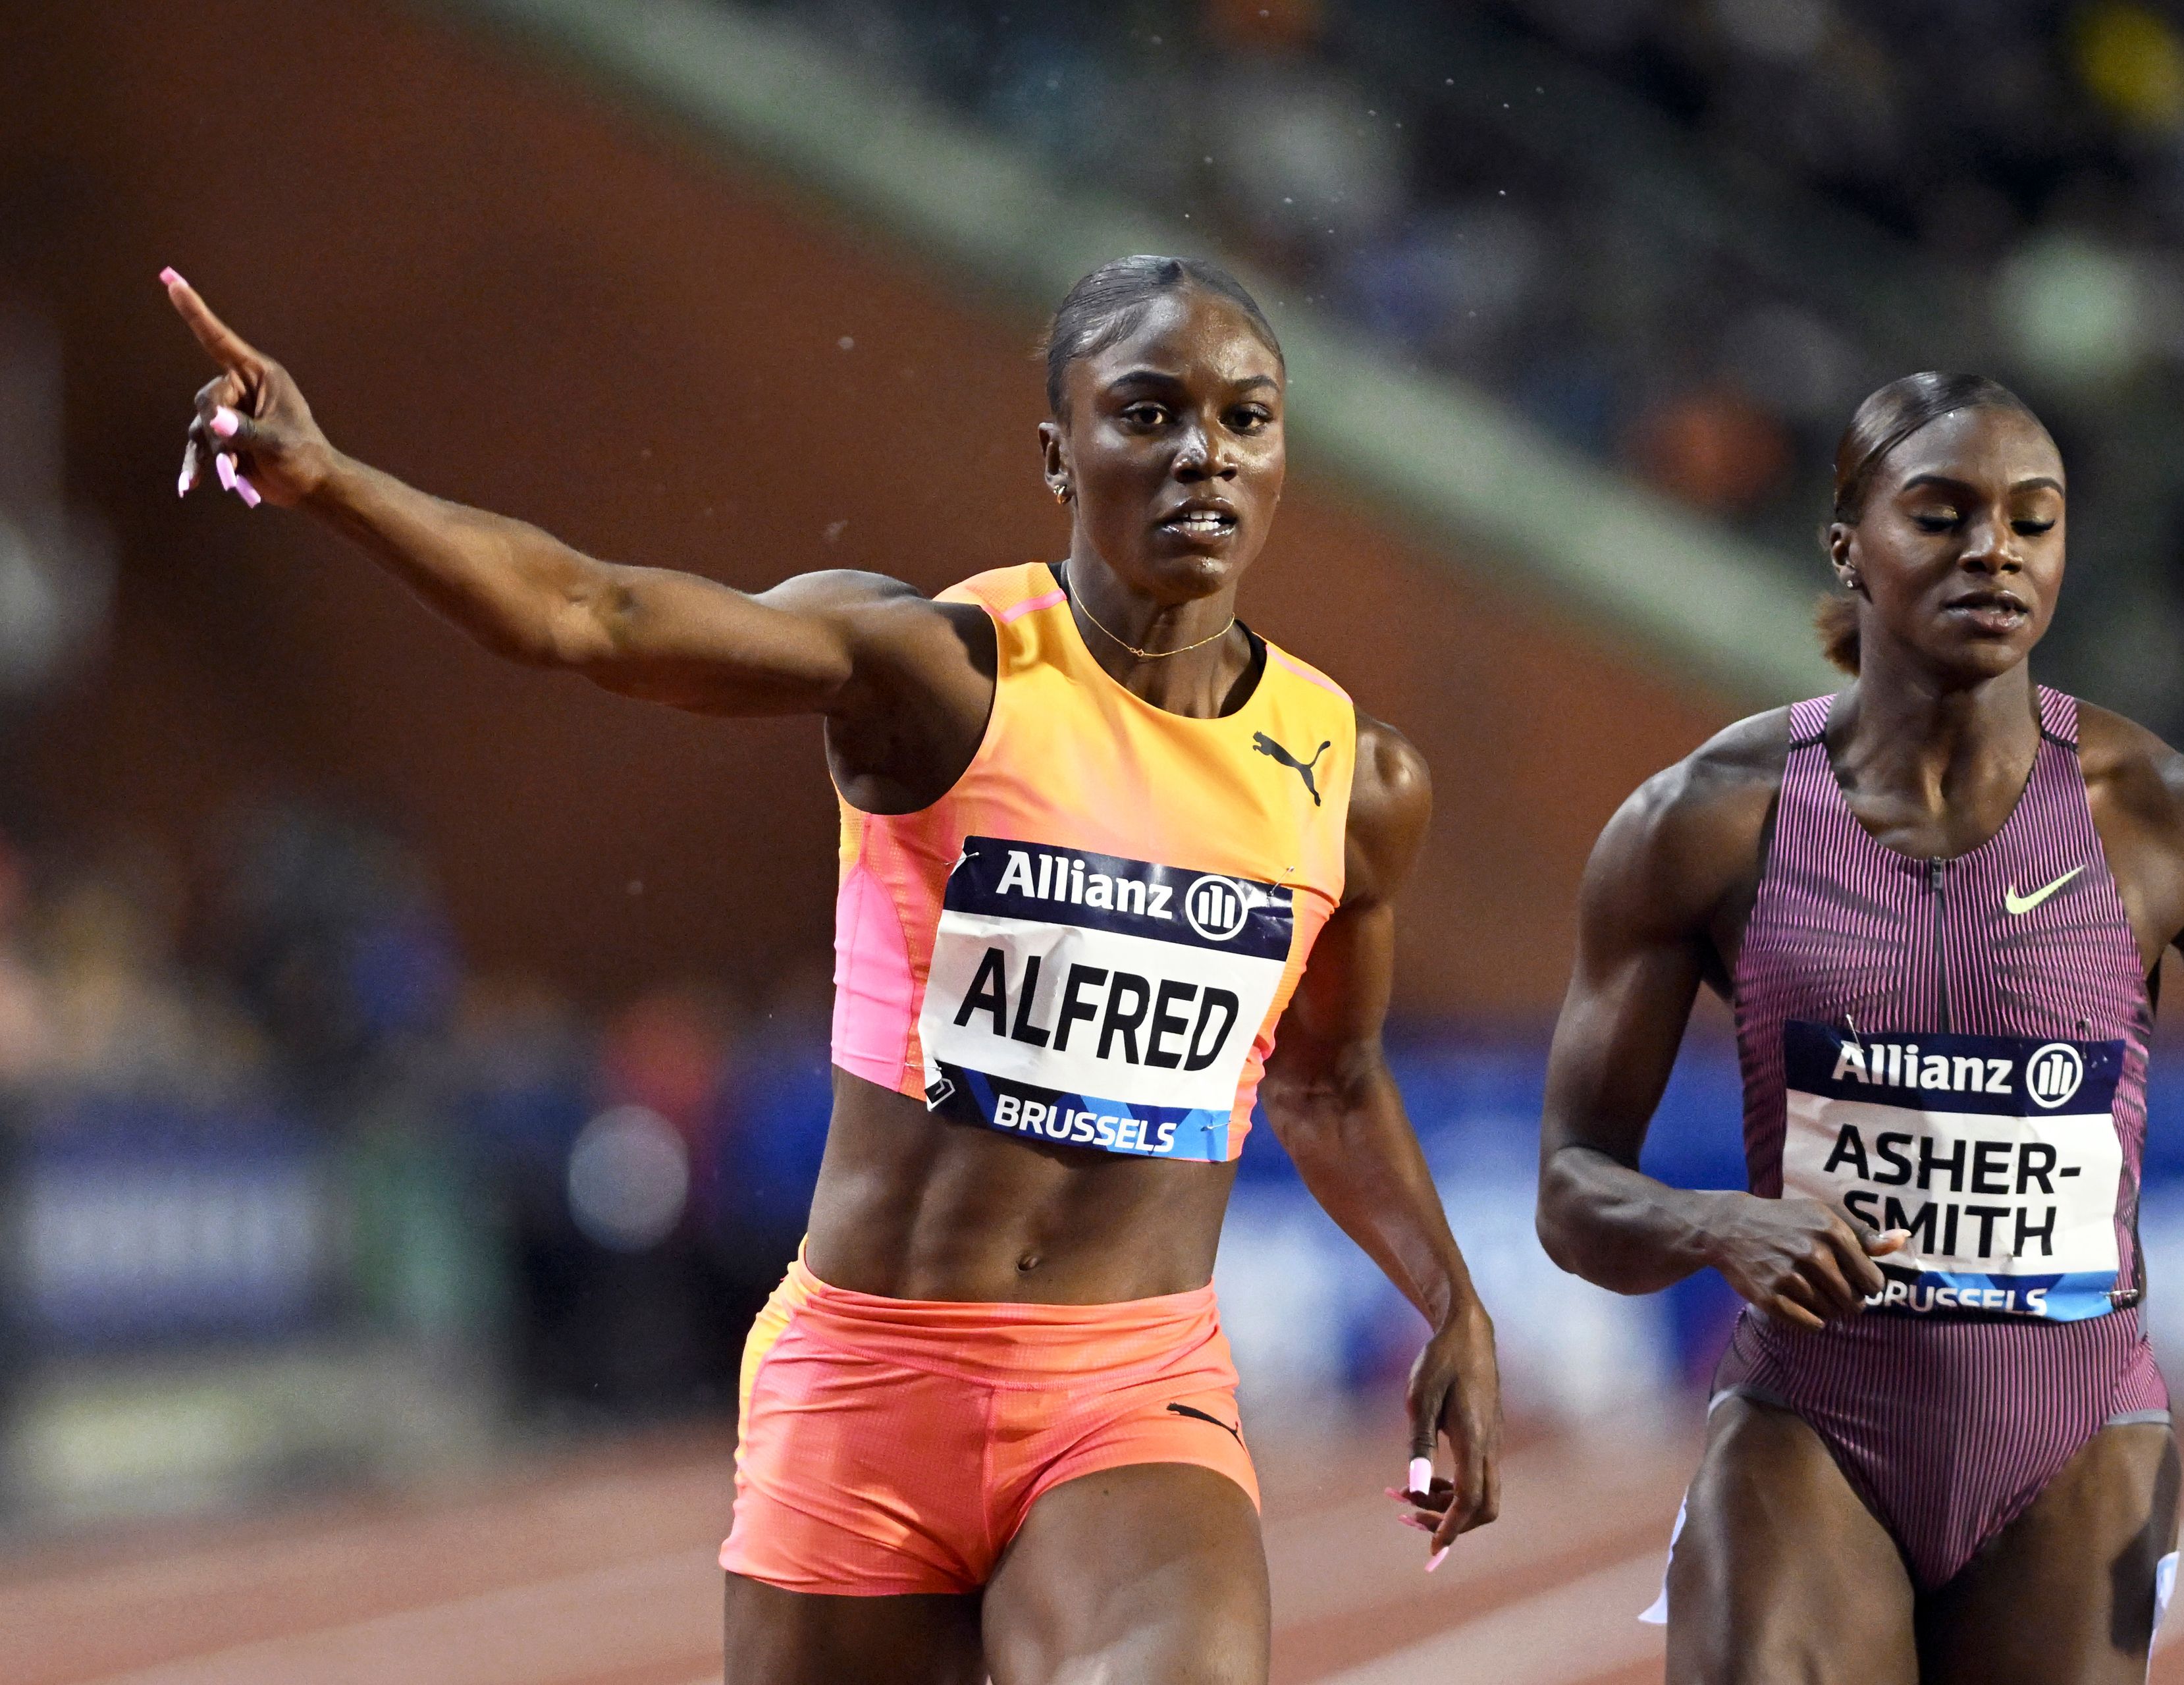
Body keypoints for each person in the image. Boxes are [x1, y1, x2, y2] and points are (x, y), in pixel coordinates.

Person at [163, 253, 1500, 1685]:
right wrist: (335, 481)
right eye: (1150, 413)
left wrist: (1451, 1299)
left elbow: (1332, 1075)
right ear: (1059, 452)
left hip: (1128, 1390)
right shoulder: (934, 674)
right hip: (867, 1387)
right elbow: (591, 614)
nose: (1204, 457)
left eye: (1247, 419)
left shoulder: (1352, 781)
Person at [1535, 371, 2184, 1682]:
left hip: (2077, 1435)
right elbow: (1570, 1185)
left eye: (2032, 519)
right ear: (1847, 548)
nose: (1993, 547)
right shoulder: (1702, 821)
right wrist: (1721, 1223)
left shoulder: (2170, 819)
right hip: (1810, 1419)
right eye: (1941, 513)